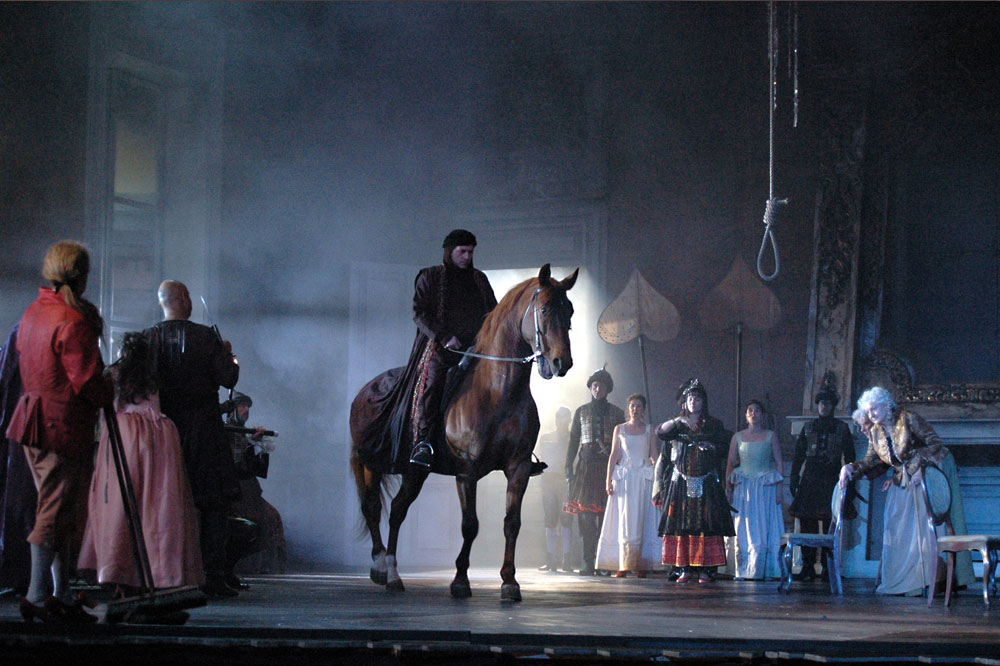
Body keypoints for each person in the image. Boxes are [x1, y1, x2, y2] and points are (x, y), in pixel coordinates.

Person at [5, 240, 113, 623]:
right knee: (54, 511)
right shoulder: (72, 320)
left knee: (59, 508)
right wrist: (110, 385)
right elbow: (87, 382)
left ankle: (61, 593)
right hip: (62, 425)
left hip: (33, 421)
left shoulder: (34, 312)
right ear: (82, 276)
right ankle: (37, 596)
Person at [78, 332, 203, 592]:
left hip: (125, 433)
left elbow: (108, 409)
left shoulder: (115, 373)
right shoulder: (153, 375)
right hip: (159, 436)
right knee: (158, 504)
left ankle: (119, 568)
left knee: (119, 502)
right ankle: (157, 571)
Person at [144, 280, 240, 597]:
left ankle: (166, 574)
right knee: (213, 501)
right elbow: (229, 378)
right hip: (204, 427)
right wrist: (228, 356)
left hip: (162, 429)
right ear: (183, 299)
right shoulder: (205, 336)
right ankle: (212, 575)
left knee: (163, 502)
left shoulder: (149, 339)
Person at [839, 387, 974, 596]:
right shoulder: (875, 431)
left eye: (875, 409)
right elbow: (871, 460)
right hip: (910, 474)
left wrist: (922, 467)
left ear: (886, 405)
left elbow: (935, 443)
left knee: (933, 522)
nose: (871, 414)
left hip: (935, 466)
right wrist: (850, 467)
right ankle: (916, 580)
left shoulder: (908, 419)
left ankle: (941, 577)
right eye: (869, 411)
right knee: (902, 523)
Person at [408, 230, 497, 468]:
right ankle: (423, 442)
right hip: (441, 348)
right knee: (433, 382)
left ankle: (507, 443)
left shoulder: (479, 279)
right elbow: (419, 313)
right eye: (462, 251)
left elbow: (493, 312)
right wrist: (444, 337)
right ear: (450, 251)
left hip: (477, 349)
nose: (467, 257)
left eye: (471, 252)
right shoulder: (430, 276)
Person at [654, 379, 733, 584]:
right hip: (681, 483)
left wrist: (712, 446)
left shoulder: (714, 424)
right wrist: (678, 420)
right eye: (690, 398)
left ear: (703, 402)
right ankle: (684, 568)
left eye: (697, 398)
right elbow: (660, 432)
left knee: (706, 524)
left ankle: (707, 570)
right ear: (684, 402)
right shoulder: (677, 424)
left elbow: (725, 446)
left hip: (706, 483)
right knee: (681, 525)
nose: (693, 401)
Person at [788, 385, 855, 580]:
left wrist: (850, 485)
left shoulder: (842, 428)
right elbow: (798, 455)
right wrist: (794, 478)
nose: (824, 407)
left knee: (830, 525)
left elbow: (850, 457)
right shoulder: (808, 427)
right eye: (821, 403)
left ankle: (828, 568)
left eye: (827, 403)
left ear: (833, 406)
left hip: (831, 480)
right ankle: (807, 566)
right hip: (810, 480)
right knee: (807, 524)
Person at [564, 367, 625, 575]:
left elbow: (623, 445)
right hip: (586, 468)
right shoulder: (581, 411)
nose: (598, 389)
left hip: (608, 469)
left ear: (608, 389)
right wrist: (568, 466)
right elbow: (573, 441)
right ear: (590, 388)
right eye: (595, 385)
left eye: (602, 386)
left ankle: (604, 562)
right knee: (585, 518)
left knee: (607, 519)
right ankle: (588, 562)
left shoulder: (617, 413)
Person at [223, 392, 286, 582]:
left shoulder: (243, 433)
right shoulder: (227, 432)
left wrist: (256, 444)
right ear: (233, 409)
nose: (246, 410)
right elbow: (236, 463)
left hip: (250, 492)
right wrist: (251, 444)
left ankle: (260, 566)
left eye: (248, 407)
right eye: (242, 406)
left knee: (272, 518)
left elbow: (256, 470)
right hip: (234, 493)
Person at [595, 393, 660, 578]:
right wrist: (608, 480)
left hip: (644, 479)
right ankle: (623, 563)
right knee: (624, 520)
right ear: (628, 409)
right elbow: (614, 455)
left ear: (643, 409)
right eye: (632, 406)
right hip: (625, 480)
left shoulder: (649, 430)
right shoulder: (620, 429)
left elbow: (655, 455)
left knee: (643, 518)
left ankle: (641, 563)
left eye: (639, 406)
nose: (635, 409)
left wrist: (659, 481)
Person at [725, 399, 783, 580]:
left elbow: (779, 463)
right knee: (743, 525)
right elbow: (730, 462)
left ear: (762, 415)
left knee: (763, 525)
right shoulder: (738, 437)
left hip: (765, 488)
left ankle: (764, 569)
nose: (753, 413)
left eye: (757, 410)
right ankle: (742, 569)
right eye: (750, 410)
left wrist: (780, 489)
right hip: (744, 488)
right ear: (746, 415)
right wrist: (728, 486)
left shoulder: (771, 436)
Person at [535, 406, 574, 573]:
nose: (562, 420)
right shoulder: (546, 438)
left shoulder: (574, 438)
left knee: (566, 520)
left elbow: (578, 458)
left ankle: (566, 560)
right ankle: (551, 559)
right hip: (549, 480)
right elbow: (538, 456)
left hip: (566, 481)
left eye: (565, 417)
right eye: (559, 417)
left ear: (569, 420)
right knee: (550, 520)